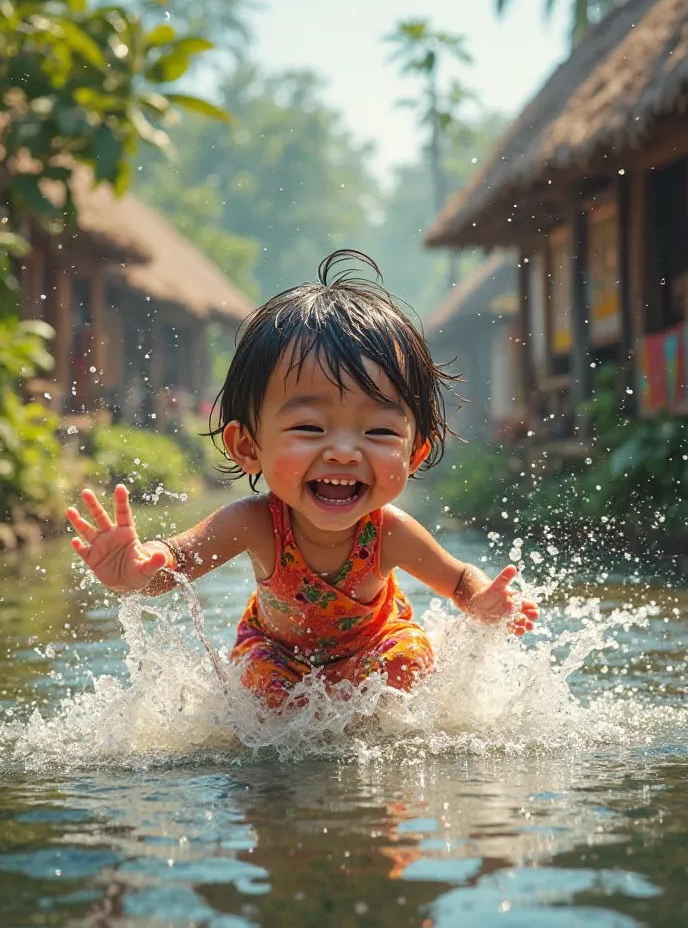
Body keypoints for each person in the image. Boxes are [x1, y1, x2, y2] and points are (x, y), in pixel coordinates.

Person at [66, 250, 538, 709]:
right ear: (249, 447)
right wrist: (135, 572)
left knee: (409, 662)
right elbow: (175, 564)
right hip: (278, 652)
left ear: (414, 453)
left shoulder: (388, 531)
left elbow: (457, 580)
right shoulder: (253, 523)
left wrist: (483, 600)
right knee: (263, 690)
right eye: (310, 427)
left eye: (378, 431)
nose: (343, 451)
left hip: (375, 645)